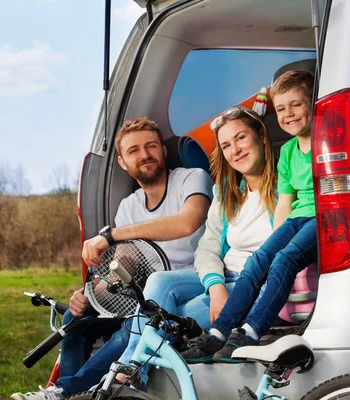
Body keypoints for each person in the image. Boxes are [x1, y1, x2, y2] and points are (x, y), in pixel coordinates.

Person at [11, 116, 212, 400]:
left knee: (136, 322)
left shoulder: (192, 179)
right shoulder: (128, 206)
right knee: (76, 316)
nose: (144, 155)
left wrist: (111, 234)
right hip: (148, 295)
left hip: (190, 287)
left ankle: (68, 391)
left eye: (151, 146)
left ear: (163, 151)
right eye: (133, 151)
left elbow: (186, 223)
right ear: (122, 162)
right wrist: (91, 293)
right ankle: (65, 393)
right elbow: (122, 266)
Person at [114, 104, 279, 383]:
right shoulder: (227, 192)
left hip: (254, 283)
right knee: (159, 283)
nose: (235, 150)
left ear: (262, 137)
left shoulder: (283, 188)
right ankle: (132, 368)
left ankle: (131, 373)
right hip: (222, 277)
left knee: (170, 317)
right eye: (226, 145)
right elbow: (207, 247)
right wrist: (215, 287)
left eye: (241, 138)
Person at [180, 70, 318, 363]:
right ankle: (218, 333)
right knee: (262, 259)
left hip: (319, 217)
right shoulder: (289, 152)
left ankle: (251, 331)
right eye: (281, 108)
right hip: (297, 217)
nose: (288, 113)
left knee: (285, 259)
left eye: (296, 105)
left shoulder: (324, 143)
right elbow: (286, 203)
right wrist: (272, 244)